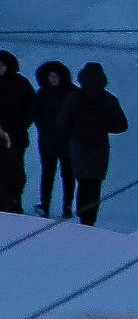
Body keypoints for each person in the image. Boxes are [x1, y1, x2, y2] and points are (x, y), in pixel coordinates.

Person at [63, 63, 126, 226]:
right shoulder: (109, 100)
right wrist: (103, 126)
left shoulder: (73, 98)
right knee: (94, 184)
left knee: (82, 182)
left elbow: (62, 123)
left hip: (78, 147)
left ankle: (81, 216)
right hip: (99, 148)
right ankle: (90, 220)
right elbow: (121, 125)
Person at [30, 60, 75, 218]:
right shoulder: (42, 93)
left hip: (68, 142)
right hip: (48, 141)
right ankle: (45, 205)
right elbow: (36, 114)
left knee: (68, 174)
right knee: (47, 174)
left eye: (56, 76)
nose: (53, 79)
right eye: (50, 76)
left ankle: (67, 206)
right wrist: (44, 128)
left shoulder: (71, 93)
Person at [0, 51, 30, 213]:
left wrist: (20, 124)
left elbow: (31, 108)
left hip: (16, 135)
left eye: (2, 65)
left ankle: (15, 201)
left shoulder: (21, 83)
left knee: (15, 169)